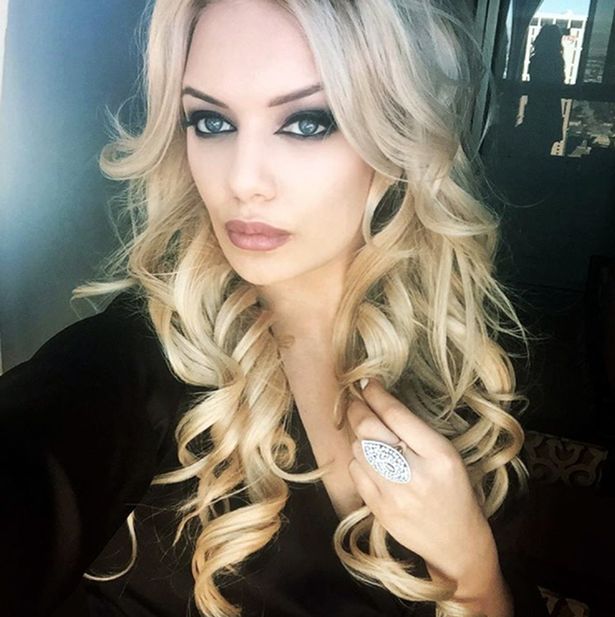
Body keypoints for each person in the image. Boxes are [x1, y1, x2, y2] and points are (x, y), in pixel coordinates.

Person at [1, 0, 550, 616]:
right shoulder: (133, 364)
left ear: (398, 137)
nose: (243, 180)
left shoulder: (454, 368)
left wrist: (472, 568)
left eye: (307, 123)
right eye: (211, 121)